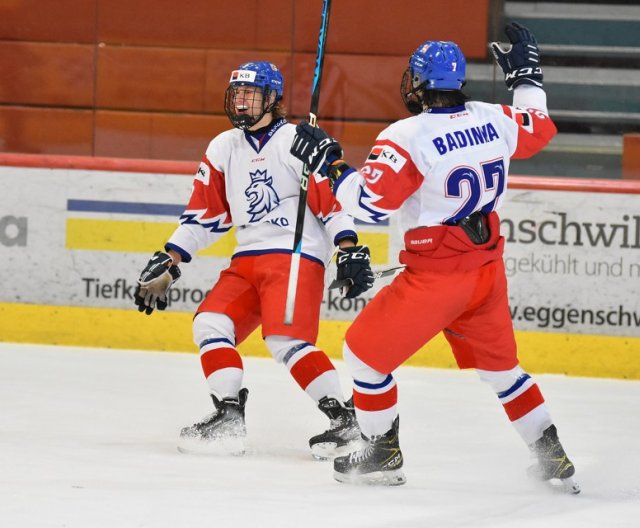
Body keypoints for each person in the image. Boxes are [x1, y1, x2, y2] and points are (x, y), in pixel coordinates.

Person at [289, 23, 580, 492]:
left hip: (438, 276)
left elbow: (367, 204)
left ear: (419, 84)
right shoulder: (494, 116)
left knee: (364, 356)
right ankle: (553, 456)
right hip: (485, 271)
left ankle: (382, 453)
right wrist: (526, 77)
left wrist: (330, 162)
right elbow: (539, 127)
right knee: (504, 372)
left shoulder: (409, 134)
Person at [133, 61, 374, 459]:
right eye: (237, 94)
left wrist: (347, 247)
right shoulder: (223, 146)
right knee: (210, 322)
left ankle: (347, 421)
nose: (241, 101)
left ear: (273, 98)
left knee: (286, 340)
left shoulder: (298, 139)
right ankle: (228, 416)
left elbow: (332, 206)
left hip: (295, 253)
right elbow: (206, 214)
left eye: (251, 94)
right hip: (246, 257)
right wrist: (171, 257)